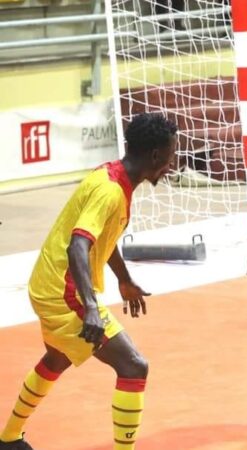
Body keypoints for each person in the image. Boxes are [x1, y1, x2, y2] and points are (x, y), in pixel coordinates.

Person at [0, 113, 178, 450]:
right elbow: (78, 246)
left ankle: (8, 438)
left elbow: (100, 239)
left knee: (57, 358)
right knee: (134, 367)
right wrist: (92, 309)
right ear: (155, 155)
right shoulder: (111, 192)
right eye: (170, 156)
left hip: (48, 281)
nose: (171, 165)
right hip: (62, 291)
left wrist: (124, 279)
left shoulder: (112, 176)